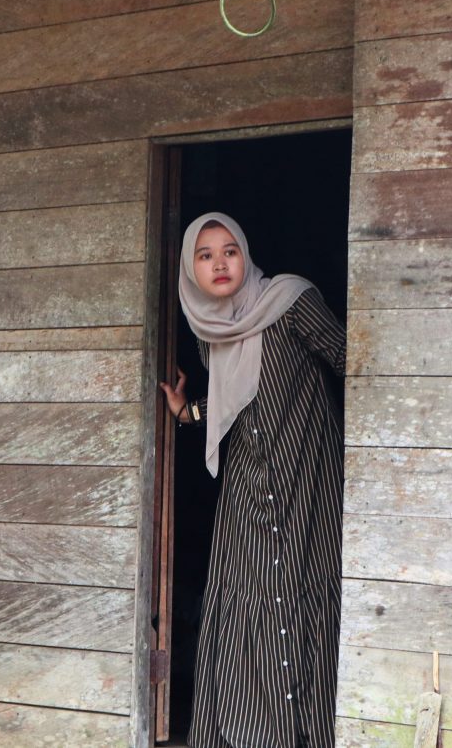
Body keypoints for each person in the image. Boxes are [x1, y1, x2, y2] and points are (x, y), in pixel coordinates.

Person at [160, 212, 345, 748]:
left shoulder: (291, 302)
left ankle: (311, 731)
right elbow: (230, 405)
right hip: (246, 485)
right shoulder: (209, 331)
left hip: (309, 478)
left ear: (246, 253)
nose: (219, 263)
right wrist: (185, 413)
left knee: (307, 590)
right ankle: (249, 732)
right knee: (247, 592)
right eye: (205, 254)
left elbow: (351, 358)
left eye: (229, 251)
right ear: (191, 269)